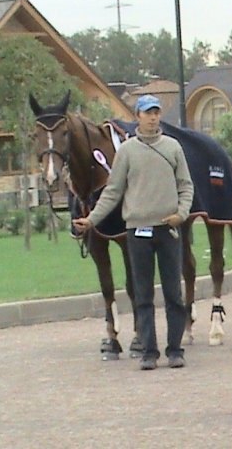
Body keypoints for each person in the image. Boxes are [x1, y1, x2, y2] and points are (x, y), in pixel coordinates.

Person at [73, 94, 194, 370]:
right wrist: (91, 220)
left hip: (168, 229)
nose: (153, 117)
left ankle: (175, 349)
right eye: (147, 113)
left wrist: (181, 213)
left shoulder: (173, 148)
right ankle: (149, 352)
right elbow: (112, 191)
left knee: (174, 293)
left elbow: (186, 186)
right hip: (137, 230)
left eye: (156, 112)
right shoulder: (126, 152)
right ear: (137, 116)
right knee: (143, 294)